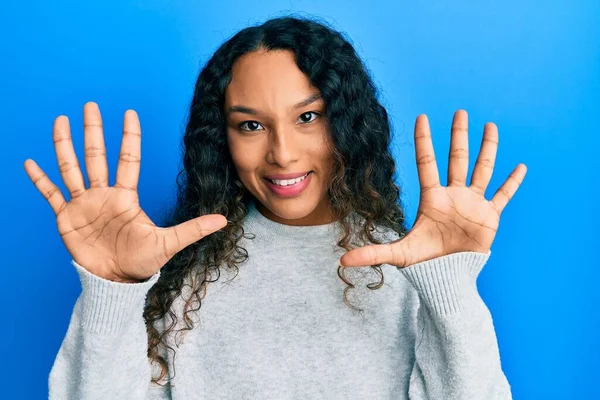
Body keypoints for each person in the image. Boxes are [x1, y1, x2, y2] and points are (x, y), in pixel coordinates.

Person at [25, 16, 526, 400]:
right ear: (220, 139)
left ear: (347, 123)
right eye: (251, 125)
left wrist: (451, 288)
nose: (282, 153)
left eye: (307, 117)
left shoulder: (411, 266)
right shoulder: (180, 274)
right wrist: (112, 290)